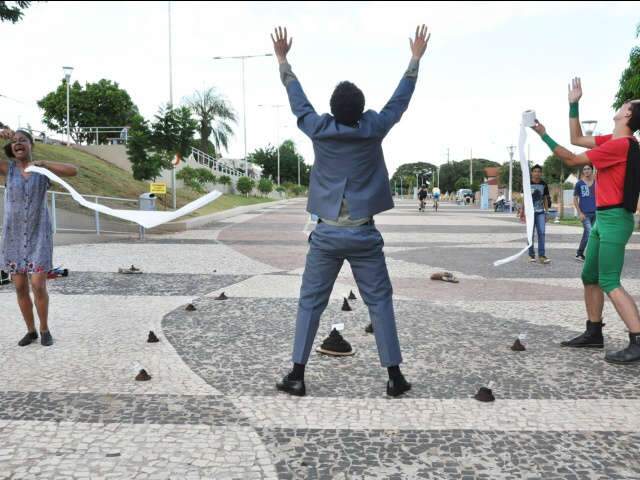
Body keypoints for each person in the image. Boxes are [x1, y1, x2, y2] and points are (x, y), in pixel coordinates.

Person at [271, 25, 430, 397]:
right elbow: (398, 102)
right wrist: (415, 60)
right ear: (361, 110)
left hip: (326, 235)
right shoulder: (373, 128)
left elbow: (299, 102)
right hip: (363, 234)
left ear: (333, 110)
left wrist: (283, 60)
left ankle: (297, 374)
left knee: (310, 302)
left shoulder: (319, 129)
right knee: (380, 303)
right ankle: (394, 376)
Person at [531, 76, 640, 364]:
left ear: (628, 114)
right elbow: (576, 139)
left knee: (609, 280)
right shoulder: (613, 140)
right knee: (589, 276)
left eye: (626, 104)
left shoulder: (622, 145)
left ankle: (638, 339)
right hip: (604, 218)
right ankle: (594, 332)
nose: (621, 104)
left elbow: (570, 158)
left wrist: (541, 134)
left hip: (615, 218)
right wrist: (573, 105)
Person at [0, 128, 78, 347]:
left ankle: (44, 329)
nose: (18, 143)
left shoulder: (42, 171)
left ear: (31, 144)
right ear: (11, 147)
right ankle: (31, 331)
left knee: (38, 285)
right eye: (14, 141)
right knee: (19, 287)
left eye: (22, 140)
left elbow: (73, 170)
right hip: (13, 236)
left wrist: (45, 164)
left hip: (38, 236)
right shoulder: (9, 169)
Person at [520, 165, 551, 264]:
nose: (537, 173)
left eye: (539, 171)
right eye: (535, 171)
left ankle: (542, 255)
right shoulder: (527, 183)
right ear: (532, 173)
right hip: (530, 213)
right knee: (530, 234)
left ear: (541, 173)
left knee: (542, 233)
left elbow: (545, 198)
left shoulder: (543, 184)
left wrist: (547, 212)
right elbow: (524, 198)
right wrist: (522, 212)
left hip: (540, 212)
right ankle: (531, 255)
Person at [573, 164, 596, 262]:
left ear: (592, 170)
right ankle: (586, 255)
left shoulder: (597, 182)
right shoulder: (579, 184)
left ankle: (579, 253)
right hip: (585, 214)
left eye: (588, 169)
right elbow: (575, 199)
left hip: (596, 213)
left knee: (589, 234)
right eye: (584, 169)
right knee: (590, 233)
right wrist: (579, 213)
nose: (586, 171)